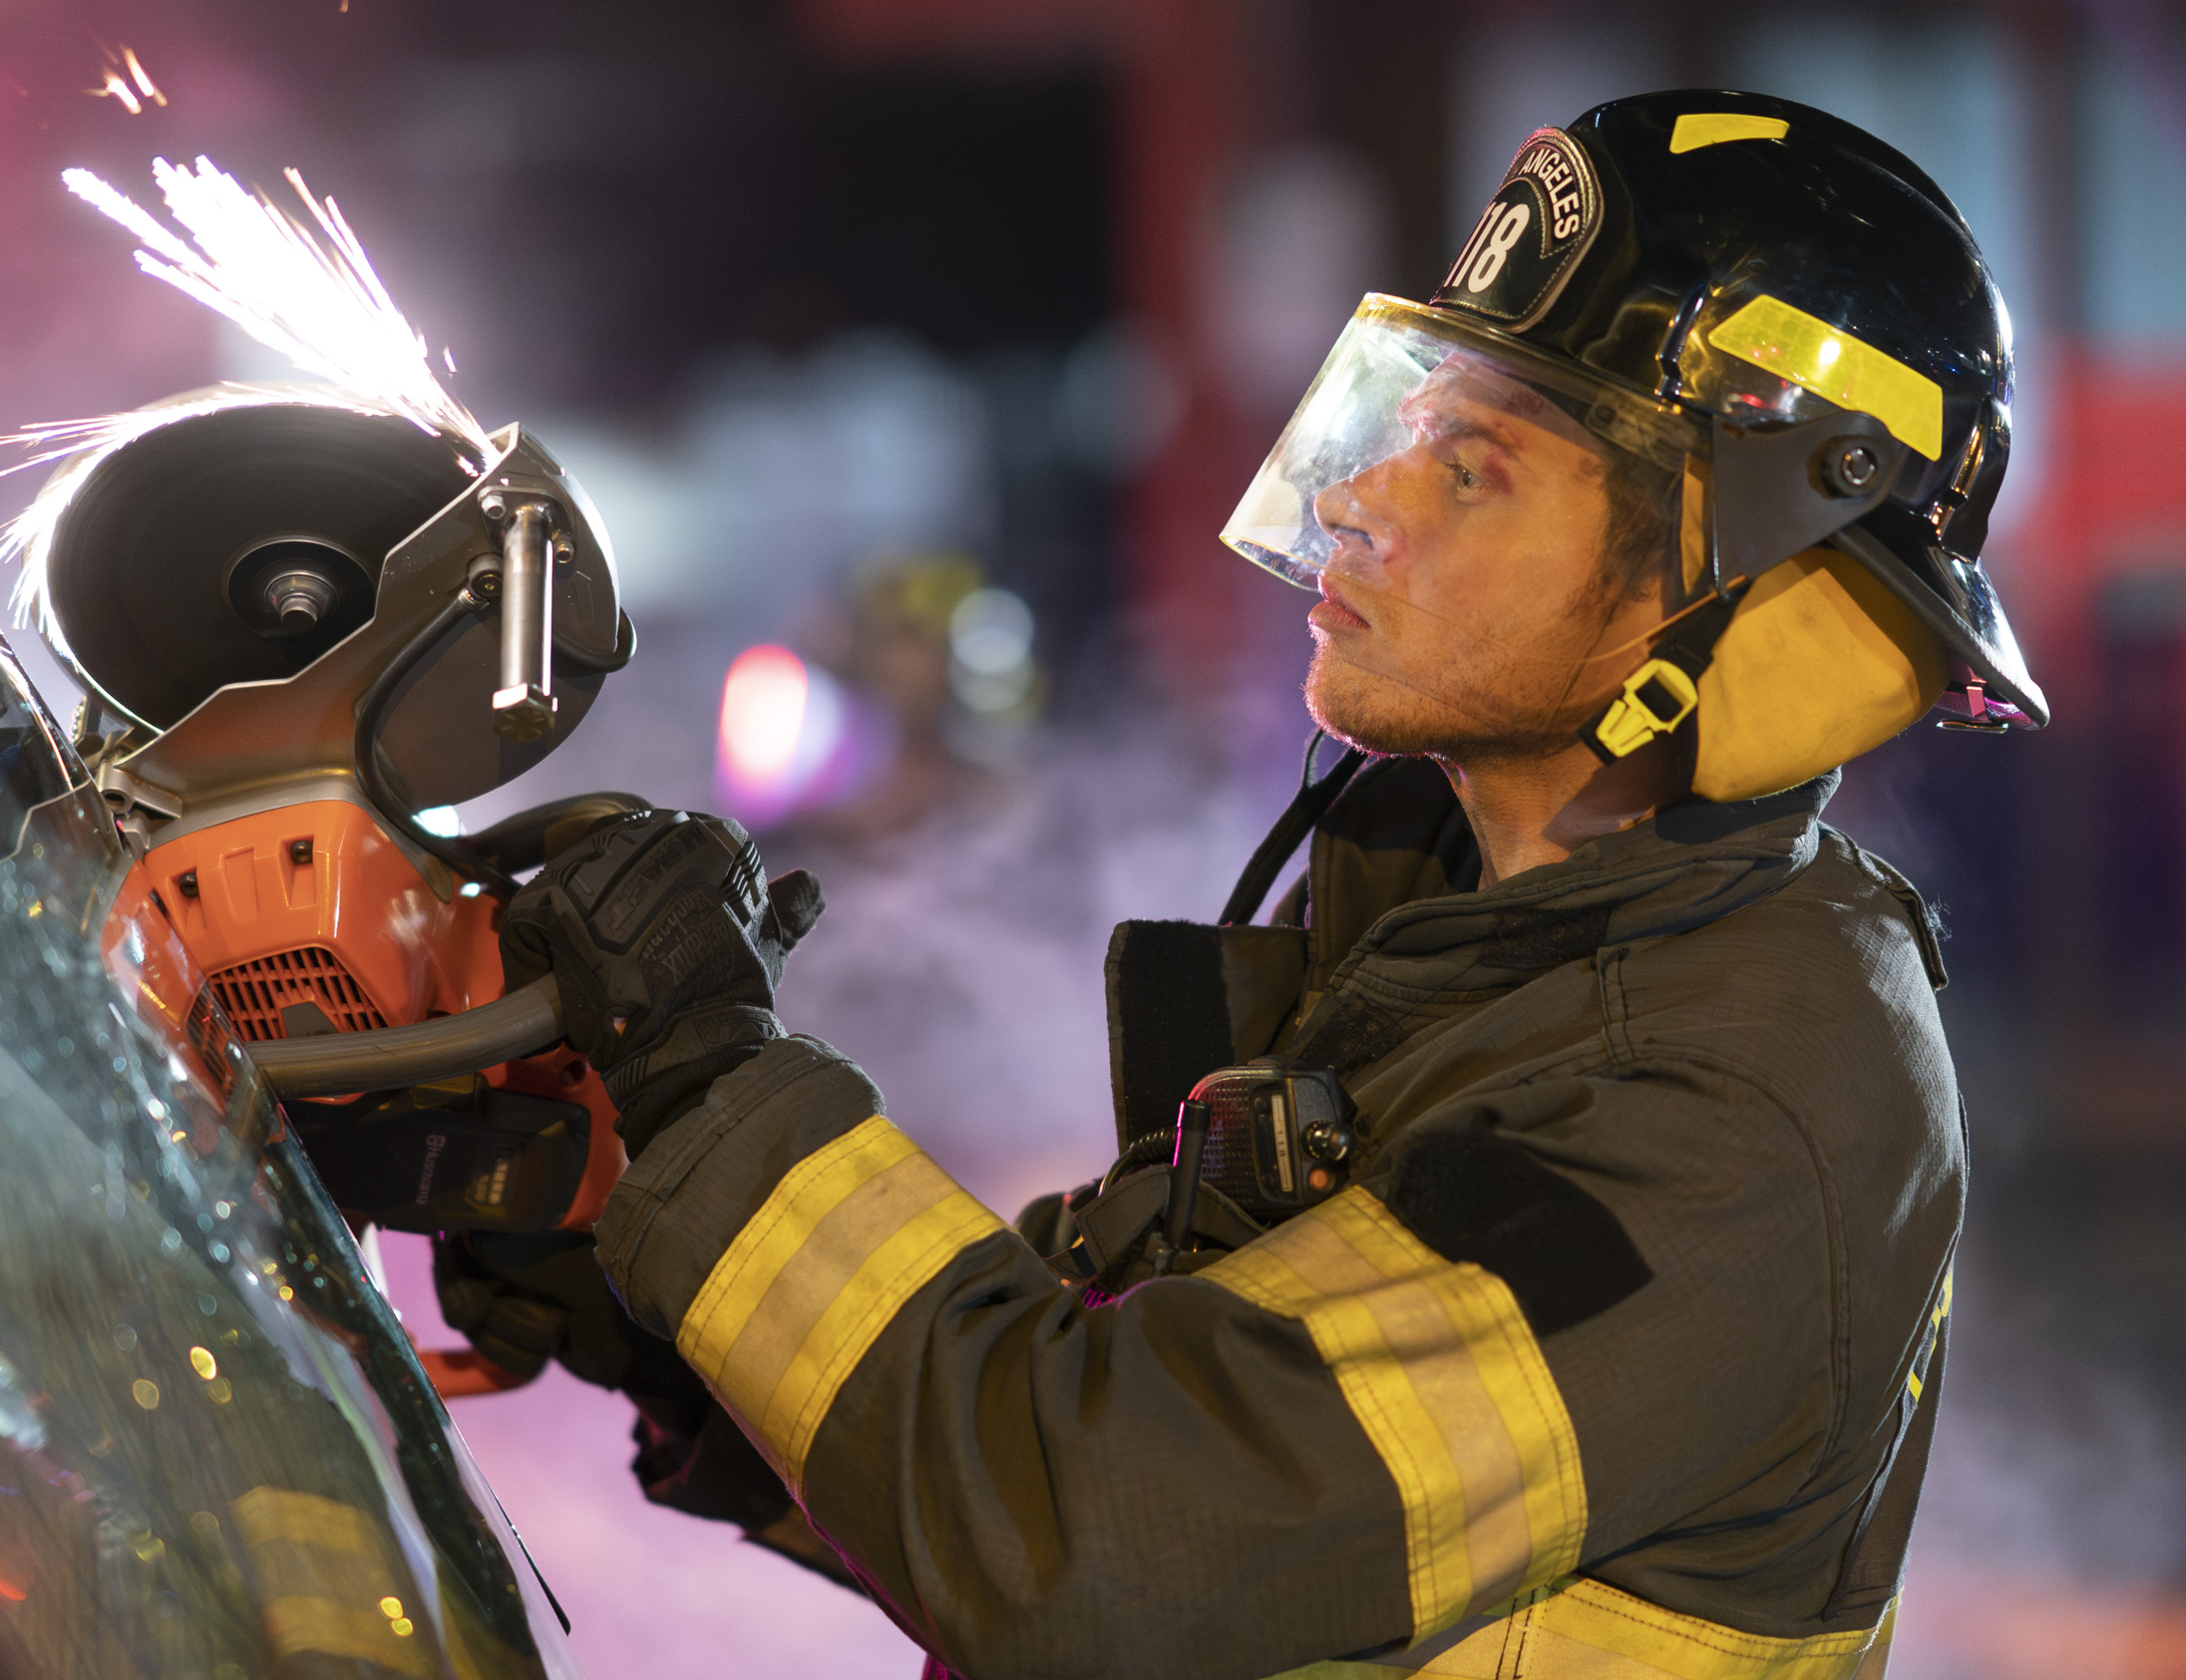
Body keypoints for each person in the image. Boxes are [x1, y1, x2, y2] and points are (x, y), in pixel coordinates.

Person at [447, 89, 2042, 1678]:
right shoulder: (1465, 936)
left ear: (1743, 586)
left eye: (1473, 467)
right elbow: (1054, 1395)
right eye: (1409, 428)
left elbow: (1100, 1540)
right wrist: (656, 1306)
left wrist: (715, 1089)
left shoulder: (1725, 1105)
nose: (1354, 497)